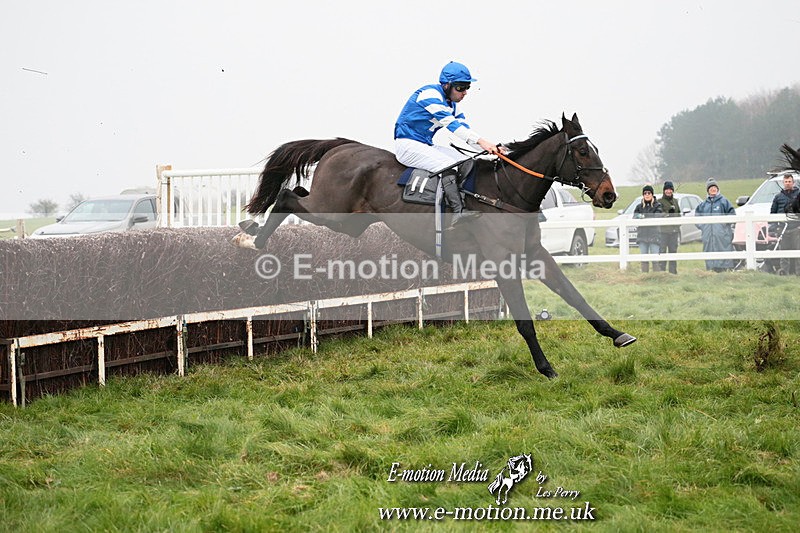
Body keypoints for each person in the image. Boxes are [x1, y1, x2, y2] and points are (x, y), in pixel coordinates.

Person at [394, 61, 503, 226]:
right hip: (407, 145)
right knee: (449, 165)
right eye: (460, 88)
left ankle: (464, 200)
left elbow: (465, 131)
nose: (464, 93)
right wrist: (483, 142)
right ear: (446, 85)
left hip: (424, 145)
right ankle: (458, 211)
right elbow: (453, 126)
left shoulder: (452, 105)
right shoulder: (430, 94)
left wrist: (491, 149)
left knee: (467, 162)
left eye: (467, 87)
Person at [695, 177, 736, 272]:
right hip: (708, 235)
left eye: (714, 187)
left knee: (723, 251)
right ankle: (711, 269)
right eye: (711, 188)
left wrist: (723, 225)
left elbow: (732, 215)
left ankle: (724, 270)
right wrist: (704, 226)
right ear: (708, 190)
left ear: (717, 189)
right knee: (709, 250)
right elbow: (697, 217)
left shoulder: (724, 202)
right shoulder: (703, 204)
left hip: (722, 235)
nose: (713, 189)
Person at [769, 173, 800, 275]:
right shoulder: (778, 197)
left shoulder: (798, 195)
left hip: (796, 228)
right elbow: (773, 213)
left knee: (798, 252)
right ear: (783, 183)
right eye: (786, 182)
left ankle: (798, 273)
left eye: (789, 181)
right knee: (783, 253)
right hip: (782, 228)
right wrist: (775, 227)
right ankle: (784, 274)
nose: (787, 183)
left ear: (793, 182)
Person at [633, 184, 663, 272]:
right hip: (642, 235)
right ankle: (644, 276)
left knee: (655, 257)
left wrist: (642, 216)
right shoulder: (639, 207)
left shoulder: (658, 206)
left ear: (652, 194)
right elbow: (635, 217)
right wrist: (643, 216)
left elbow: (657, 216)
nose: (647, 194)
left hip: (654, 235)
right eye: (645, 193)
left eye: (649, 193)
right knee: (644, 258)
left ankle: (656, 276)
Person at [658, 181, 681, 274]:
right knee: (662, 251)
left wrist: (677, 223)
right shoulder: (659, 202)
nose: (668, 191)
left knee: (673, 251)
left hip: (674, 231)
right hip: (663, 231)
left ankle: (673, 272)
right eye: (667, 189)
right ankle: (662, 272)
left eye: (670, 189)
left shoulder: (675, 201)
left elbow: (679, 213)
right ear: (664, 191)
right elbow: (658, 214)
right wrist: (667, 214)